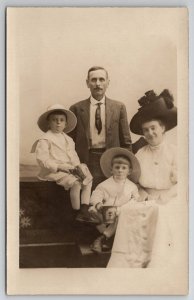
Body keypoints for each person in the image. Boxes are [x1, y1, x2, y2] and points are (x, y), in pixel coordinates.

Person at [108, 89, 179, 268]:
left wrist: (167, 197)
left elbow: (184, 184)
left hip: (171, 199)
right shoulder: (140, 153)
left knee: (160, 213)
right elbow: (135, 182)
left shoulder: (175, 151)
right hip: (146, 197)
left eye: (153, 128)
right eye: (145, 130)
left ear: (162, 128)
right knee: (127, 210)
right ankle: (131, 262)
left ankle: (157, 263)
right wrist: (141, 192)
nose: (150, 133)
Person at [69, 66, 132, 188]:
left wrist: (127, 163)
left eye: (102, 79)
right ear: (87, 83)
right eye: (93, 80)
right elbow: (69, 142)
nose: (98, 84)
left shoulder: (119, 107)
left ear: (108, 82)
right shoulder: (76, 108)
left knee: (110, 193)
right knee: (87, 195)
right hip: (86, 160)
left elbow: (126, 140)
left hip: (111, 159)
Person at [31, 104, 93, 223]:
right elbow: (42, 160)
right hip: (53, 171)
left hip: (70, 169)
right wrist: (59, 167)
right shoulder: (44, 140)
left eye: (61, 120)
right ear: (48, 123)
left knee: (87, 179)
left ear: (65, 124)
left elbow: (73, 156)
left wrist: (78, 167)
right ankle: (76, 211)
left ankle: (84, 209)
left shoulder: (68, 139)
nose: (58, 123)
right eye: (54, 120)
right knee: (76, 183)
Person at [88, 147, 141, 253]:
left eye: (124, 168)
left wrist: (123, 208)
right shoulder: (104, 185)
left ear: (129, 171)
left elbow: (135, 200)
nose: (120, 170)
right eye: (117, 167)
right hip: (106, 213)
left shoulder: (132, 186)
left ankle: (102, 238)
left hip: (122, 212)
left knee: (123, 215)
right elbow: (96, 195)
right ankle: (109, 239)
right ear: (111, 169)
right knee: (92, 210)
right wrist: (98, 204)